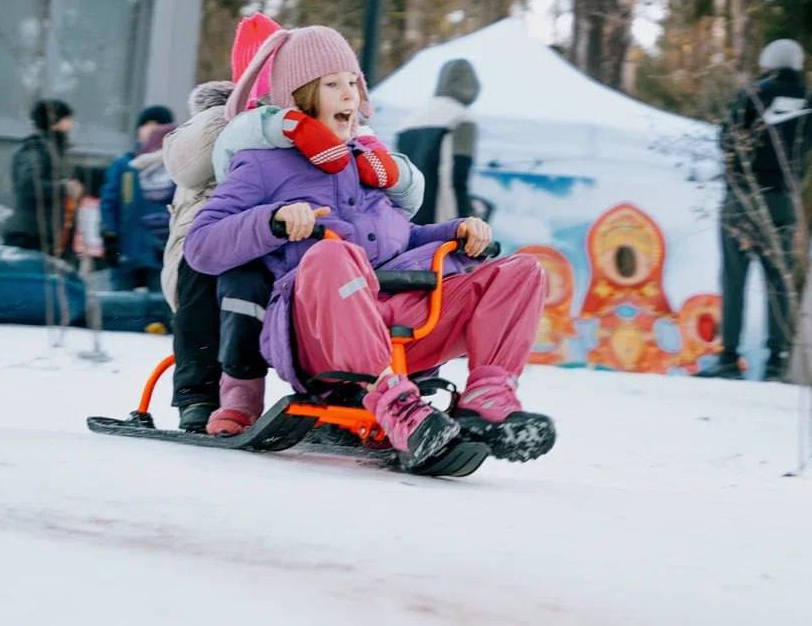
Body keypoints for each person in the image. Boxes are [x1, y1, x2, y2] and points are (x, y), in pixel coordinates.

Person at [184, 25, 554, 467]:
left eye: (353, 83)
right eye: (332, 84)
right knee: (332, 253)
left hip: (393, 316)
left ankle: (488, 399)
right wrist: (274, 220)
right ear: (302, 94)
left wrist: (455, 232)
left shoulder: (364, 162)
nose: (349, 96)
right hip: (319, 329)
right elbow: (202, 246)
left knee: (523, 271)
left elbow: (401, 239)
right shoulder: (263, 166)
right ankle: (395, 405)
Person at [161, 14, 427, 434]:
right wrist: (265, 124)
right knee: (225, 274)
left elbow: (394, 183)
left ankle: (358, 387)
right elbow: (187, 167)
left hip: (299, 247)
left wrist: (385, 169)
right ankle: (202, 393)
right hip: (216, 249)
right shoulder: (226, 124)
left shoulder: (337, 123)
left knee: (373, 266)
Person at [700, 38, 812, 380]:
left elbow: (727, 139)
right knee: (778, 281)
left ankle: (729, 358)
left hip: (744, 196)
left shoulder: (753, 94)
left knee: (734, 278)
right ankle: (777, 360)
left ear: (768, 63)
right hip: (784, 199)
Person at [99, 105, 176, 291]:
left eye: (158, 124)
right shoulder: (125, 164)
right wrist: (109, 234)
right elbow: (109, 202)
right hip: (127, 249)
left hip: (161, 251)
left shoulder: (175, 164)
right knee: (121, 308)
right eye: (146, 124)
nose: (151, 129)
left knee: (163, 307)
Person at [395, 57, 480, 224]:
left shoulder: (409, 120)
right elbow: (456, 177)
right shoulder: (462, 118)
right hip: (441, 223)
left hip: (408, 220)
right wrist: (461, 225)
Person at [3, 99, 80, 261]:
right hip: (29, 237)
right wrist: (65, 187)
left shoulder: (53, 150)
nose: (72, 125)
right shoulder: (35, 148)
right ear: (54, 122)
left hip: (42, 236)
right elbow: (28, 185)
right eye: (68, 119)